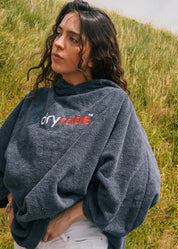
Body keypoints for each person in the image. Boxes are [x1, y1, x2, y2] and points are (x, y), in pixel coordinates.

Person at [0, 1, 160, 249]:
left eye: (73, 39)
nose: (58, 43)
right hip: (28, 237)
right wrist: (12, 197)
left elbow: (141, 182)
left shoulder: (112, 103)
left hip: (79, 237)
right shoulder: (36, 101)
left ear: (95, 56)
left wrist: (70, 216)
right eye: (59, 33)